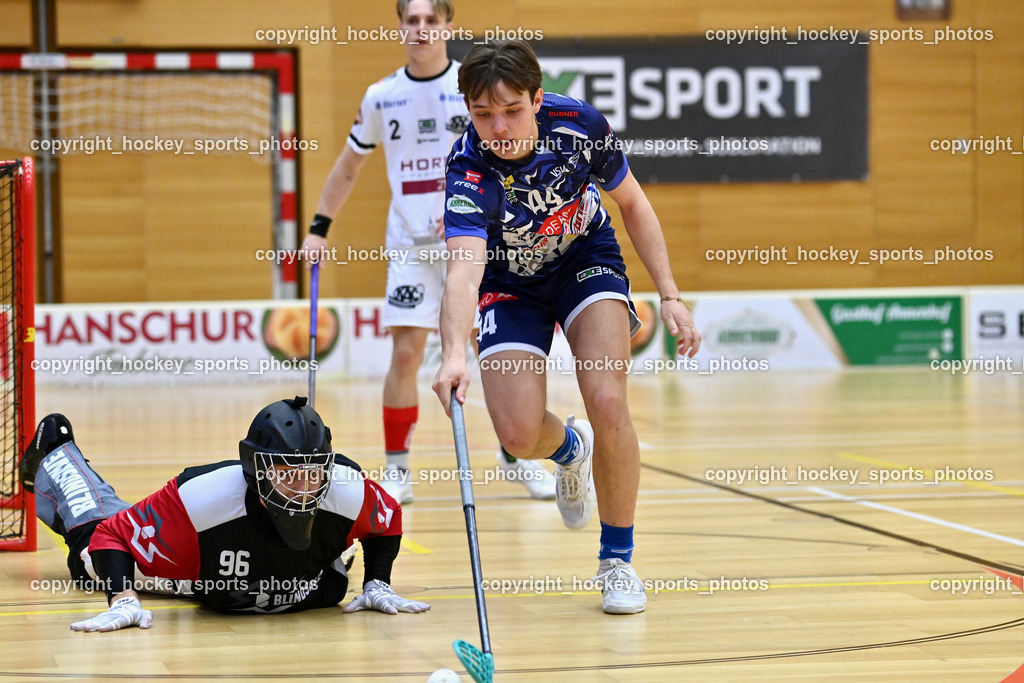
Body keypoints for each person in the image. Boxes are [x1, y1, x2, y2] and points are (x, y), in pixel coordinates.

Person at [431, 40, 701, 615]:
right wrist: (454, 351)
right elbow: (463, 268)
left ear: (536, 99)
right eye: (483, 115)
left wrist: (671, 295)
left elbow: (634, 205)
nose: (498, 127)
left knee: (607, 399)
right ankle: (568, 448)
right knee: (518, 435)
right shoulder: (466, 168)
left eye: (511, 111)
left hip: (586, 260)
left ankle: (617, 561)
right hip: (509, 283)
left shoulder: (579, 127)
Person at [301, 0, 554, 505]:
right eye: (411, 20)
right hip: (411, 247)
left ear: (447, 26)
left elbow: (511, 157)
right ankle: (397, 469)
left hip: (479, 243)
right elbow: (348, 168)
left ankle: (518, 456)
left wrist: (477, 211)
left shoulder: (475, 87)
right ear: (400, 28)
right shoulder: (381, 97)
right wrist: (318, 228)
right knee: (407, 353)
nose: (420, 29)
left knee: (495, 350)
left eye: (430, 20)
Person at [18, 397, 429, 631]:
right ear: (257, 470)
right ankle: (53, 455)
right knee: (90, 540)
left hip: (210, 560)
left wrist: (378, 583)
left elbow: (387, 517)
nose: (302, 488)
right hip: (175, 567)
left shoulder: (348, 490)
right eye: (287, 475)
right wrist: (123, 599)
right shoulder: (202, 498)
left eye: (312, 474)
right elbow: (113, 536)